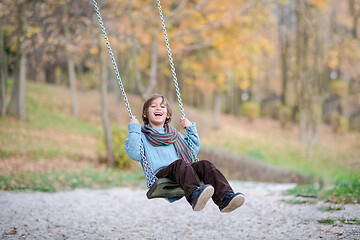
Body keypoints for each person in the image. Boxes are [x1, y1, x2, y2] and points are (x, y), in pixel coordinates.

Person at [125, 94, 245, 212]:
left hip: (181, 170)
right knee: (179, 164)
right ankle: (194, 195)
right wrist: (134, 129)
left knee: (205, 165)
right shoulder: (141, 135)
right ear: (145, 114)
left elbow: (191, 151)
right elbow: (134, 153)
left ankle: (225, 198)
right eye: (153, 106)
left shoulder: (174, 134)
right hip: (159, 174)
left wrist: (190, 129)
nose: (158, 108)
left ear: (167, 115)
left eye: (162, 106)